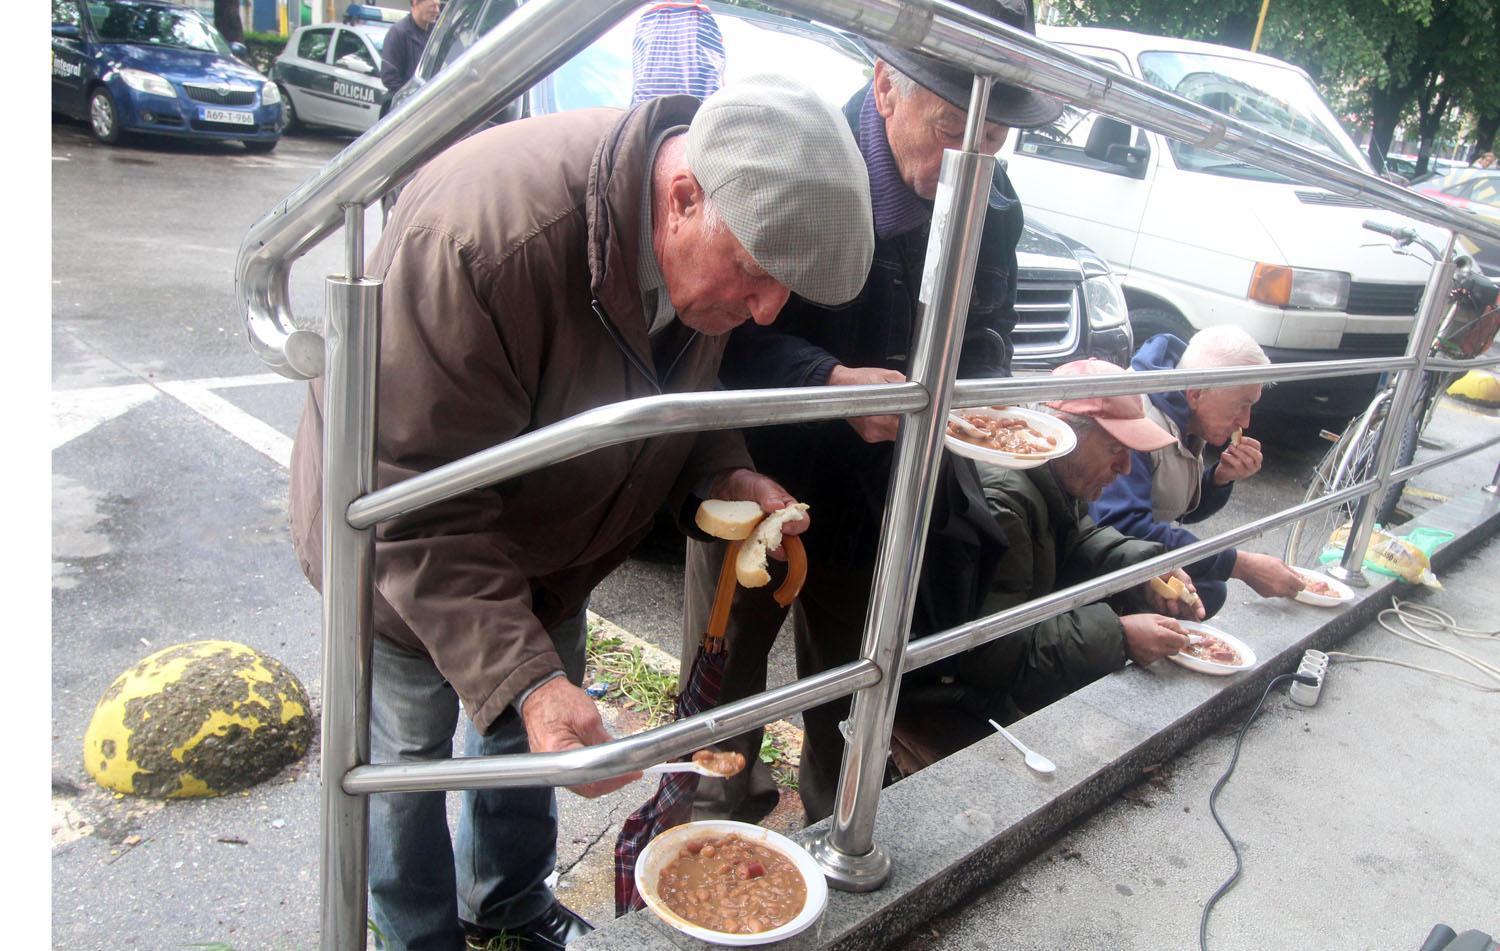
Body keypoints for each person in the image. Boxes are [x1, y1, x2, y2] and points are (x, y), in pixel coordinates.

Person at [287, 76, 873, 951]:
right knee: (404, 763)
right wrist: (522, 678)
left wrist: (725, 472)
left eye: (783, 289)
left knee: (538, 737)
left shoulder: (700, 227)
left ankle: (511, 905)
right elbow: (408, 494)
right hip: (404, 555)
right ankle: (416, 937)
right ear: (682, 199)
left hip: (548, 548)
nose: (765, 311)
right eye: (756, 274)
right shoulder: (482, 237)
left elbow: (677, 396)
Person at [678, 0, 1066, 825]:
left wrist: (965, 395)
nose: (969, 158)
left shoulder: (993, 204)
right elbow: (721, 330)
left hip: (878, 492)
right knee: (724, 680)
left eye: (993, 140)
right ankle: (708, 833)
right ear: (887, 84)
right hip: (759, 469)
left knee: (853, 687)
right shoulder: (800, 162)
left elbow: (987, 332)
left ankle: (841, 835)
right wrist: (831, 382)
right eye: (951, 126)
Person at [889, 360, 1204, 769]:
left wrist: (1142, 572)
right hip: (942, 694)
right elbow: (994, 653)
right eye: (1115, 449)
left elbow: (1078, 541)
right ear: (1067, 432)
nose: (1126, 468)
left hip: (978, 681)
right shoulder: (1008, 500)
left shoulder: (1053, 473)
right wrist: (1119, 636)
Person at [1090, 326, 1304, 618]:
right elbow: (1124, 526)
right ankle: (1121, 630)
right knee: (1208, 589)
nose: (1245, 421)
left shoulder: (1185, 415)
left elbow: (1172, 505)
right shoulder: (1140, 419)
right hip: (1093, 562)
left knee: (1210, 588)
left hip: (1119, 549)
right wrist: (1238, 564)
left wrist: (1219, 479)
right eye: (1242, 405)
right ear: (1196, 393)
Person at [380, 0, 441, 97]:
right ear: (416, 2)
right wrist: (408, 98)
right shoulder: (398, 33)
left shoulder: (437, 34)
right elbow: (389, 76)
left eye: (438, 6)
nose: (437, 11)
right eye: (433, 6)